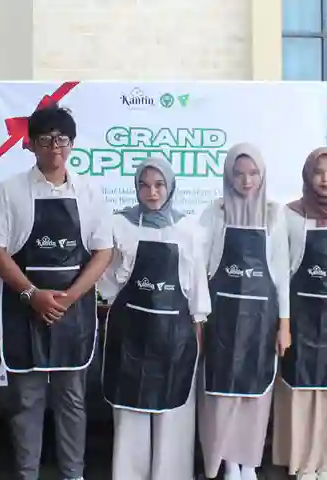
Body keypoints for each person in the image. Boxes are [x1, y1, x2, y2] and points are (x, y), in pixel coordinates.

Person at [0, 105, 112, 480]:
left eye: (62, 139)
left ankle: (73, 475)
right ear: (31, 144)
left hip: (73, 312)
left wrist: (70, 297)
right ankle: (26, 474)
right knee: (26, 401)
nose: (55, 146)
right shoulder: (9, 191)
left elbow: (103, 252)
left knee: (73, 401)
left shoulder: (90, 193)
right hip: (23, 310)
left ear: (72, 144)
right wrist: (31, 294)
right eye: (46, 139)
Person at [99, 157, 210, 480]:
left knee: (173, 411)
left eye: (159, 184)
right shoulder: (119, 225)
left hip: (175, 334)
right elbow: (107, 282)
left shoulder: (189, 229)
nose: (152, 192)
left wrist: (198, 326)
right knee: (130, 407)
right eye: (144, 185)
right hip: (129, 332)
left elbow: (197, 284)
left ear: (170, 186)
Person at [198, 143, 290, 480]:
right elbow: (200, 266)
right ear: (228, 175)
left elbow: (281, 274)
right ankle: (227, 463)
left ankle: (248, 462)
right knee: (221, 394)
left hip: (262, 319)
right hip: (221, 317)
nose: (246, 181)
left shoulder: (275, 214)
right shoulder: (215, 212)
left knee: (255, 393)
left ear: (262, 175)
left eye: (253, 173)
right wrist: (199, 317)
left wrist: (284, 324)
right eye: (238, 174)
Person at [273, 147, 327, 480]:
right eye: (319, 172)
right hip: (302, 316)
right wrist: (284, 323)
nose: (326, 179)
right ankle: (303, 463)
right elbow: (282, 271)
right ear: (308, 176)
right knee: (301, 388)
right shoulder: (290, 215)